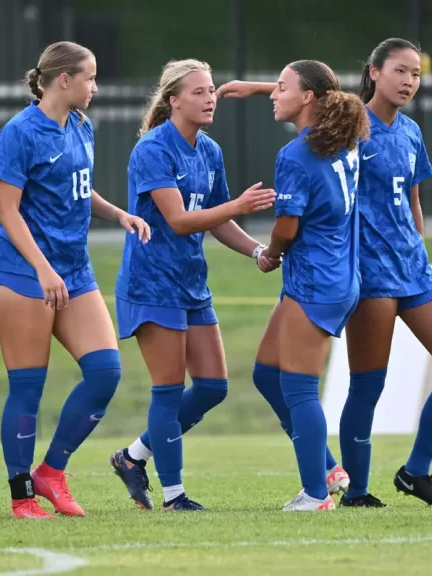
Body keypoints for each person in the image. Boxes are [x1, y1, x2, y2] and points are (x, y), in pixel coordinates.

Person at [216, 39, 432, 508]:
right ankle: (356, 489)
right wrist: (260, 89)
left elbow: (413, 200)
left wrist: (418, 246)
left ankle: (416, 471)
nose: (409, 81)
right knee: (367, 386)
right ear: (373, 72)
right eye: (400, 71)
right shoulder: (351, 128)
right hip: (370, 276)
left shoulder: (411, 131)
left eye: (416, 73)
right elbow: (316, 98)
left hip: (414, 270)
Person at [0, 41, 150, 519]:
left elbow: (78, 188)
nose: (95, 87)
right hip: (23, 272)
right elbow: (7, 211)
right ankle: (22, 496)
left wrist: (117, 213)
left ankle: (51, 472)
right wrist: (42, 269)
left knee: (105, 372)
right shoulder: (19, 132)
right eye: (89, 78)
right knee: (28, 388)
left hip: (73, 271)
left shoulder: (80, 124)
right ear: (63, 80)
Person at [108, 59, 277, 512]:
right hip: (151, 284)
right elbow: (181, 220)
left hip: (190, 284)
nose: (210, 99)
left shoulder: (209, 150)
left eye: (212, 90)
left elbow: (217, 220)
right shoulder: (152, 148)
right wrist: (239, 205)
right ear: (174, 101)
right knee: (167, 390)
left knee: (213, 387)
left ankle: (132, 457)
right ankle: (173, 496)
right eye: (199, 91)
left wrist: (257, 251)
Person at [257, 59, 369, 511]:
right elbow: (321, 90)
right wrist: (250, 85)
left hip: (315, 280)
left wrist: (270, 253)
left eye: (281, 86)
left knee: (299, 388)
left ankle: (316, 494)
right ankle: (329, 468)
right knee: (266, 374)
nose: (273, 93)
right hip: (338, 275)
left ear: (307, 97)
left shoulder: (296, 154)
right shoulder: (345, 140)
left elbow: (287, 227)